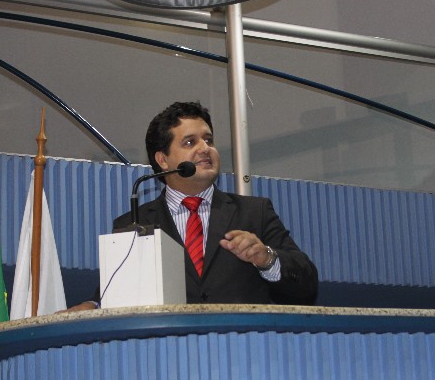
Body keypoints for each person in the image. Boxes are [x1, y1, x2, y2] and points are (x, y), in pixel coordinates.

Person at [70, 101, 317, 309]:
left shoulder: (254, 212)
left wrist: (267, 258)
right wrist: (92, 306)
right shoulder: (134, 223)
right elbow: (114, 294)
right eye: (190, 142)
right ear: (163, 160)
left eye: (208, 140)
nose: (205, 149)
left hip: (241, 345)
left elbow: (307, 286)